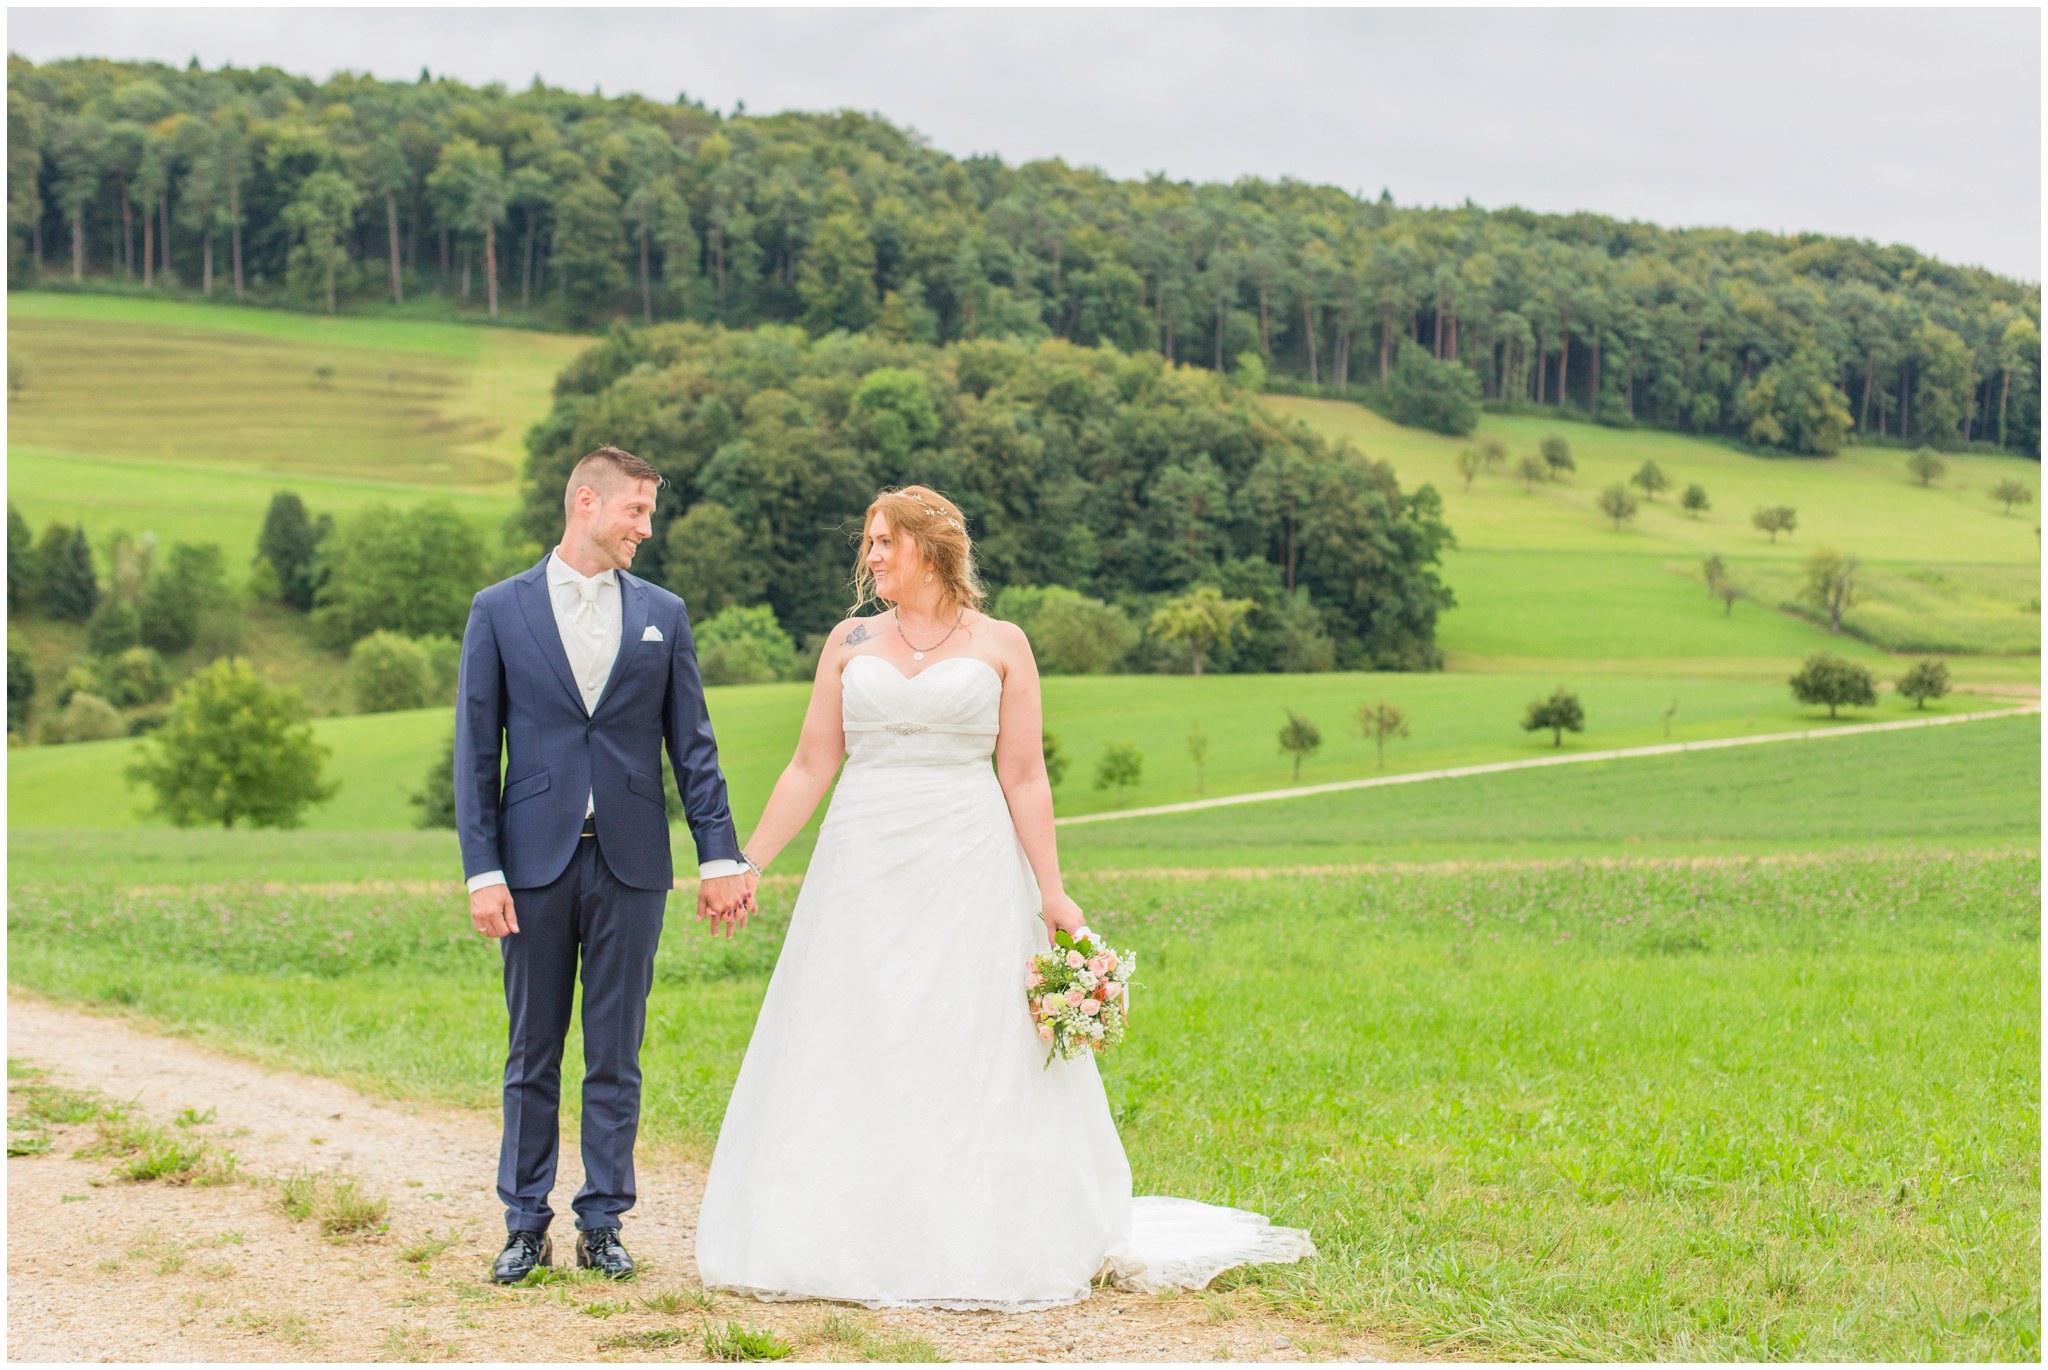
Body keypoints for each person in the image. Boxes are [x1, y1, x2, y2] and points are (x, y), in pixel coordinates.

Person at [694, 485, 1312, 1310]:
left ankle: (976, 1227)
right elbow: (811, 764)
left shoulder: (1002, 643)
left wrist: (1053, 891)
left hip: (969, 861)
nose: (870, 556)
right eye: (869, 542)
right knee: (854, 1023)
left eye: (883, 541)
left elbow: (1023, 775)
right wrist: (749, 863)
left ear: (930, 549)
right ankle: (842, 1229)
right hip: (862, 861)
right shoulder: (848, 641)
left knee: (967, 1032)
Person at [454, 445, 758, 1284]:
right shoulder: (498, 609)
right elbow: (475, 752)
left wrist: (719, 853)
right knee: (532, 1051)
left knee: (616, 1052)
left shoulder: (665, 613)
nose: (646, 529)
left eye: (649, 513)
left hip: (632, 864)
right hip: (532, 867)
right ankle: (525, 1224)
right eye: (637, 510)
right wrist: (483, 870)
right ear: (587, 502)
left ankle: (603, 1222)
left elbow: (694, 747)